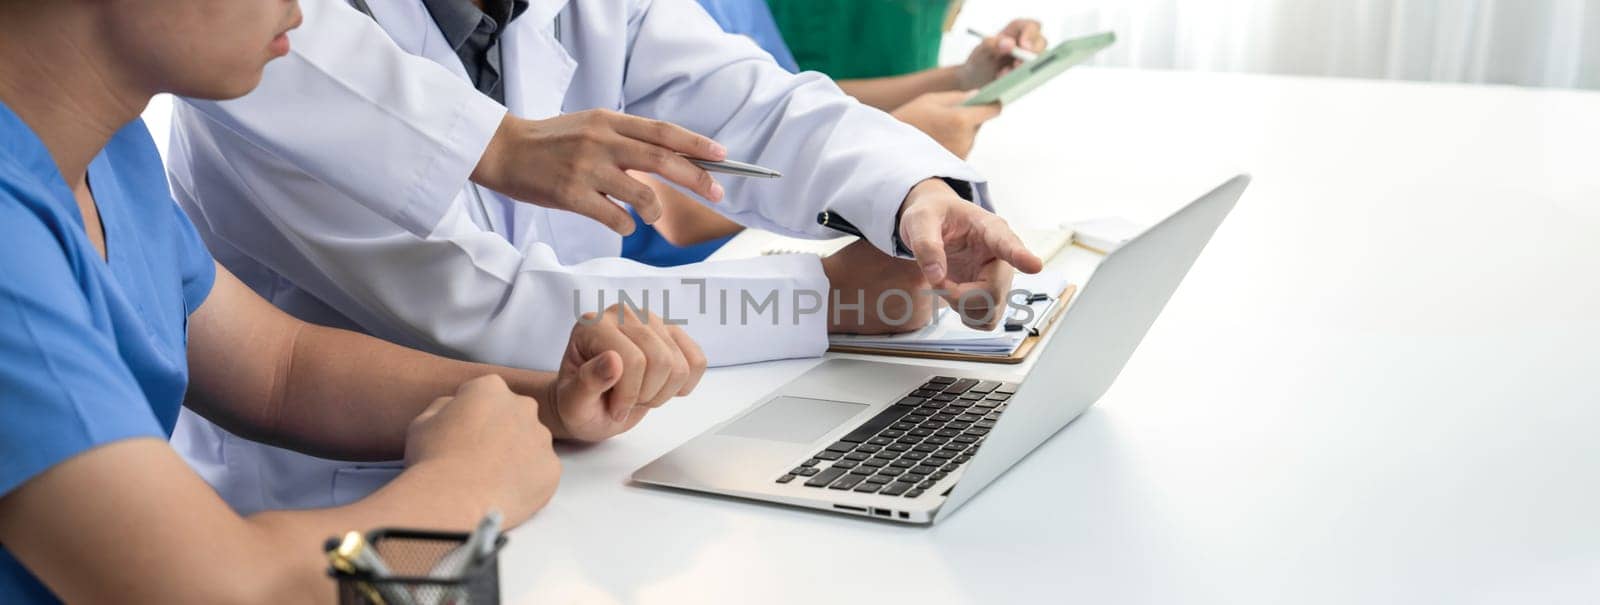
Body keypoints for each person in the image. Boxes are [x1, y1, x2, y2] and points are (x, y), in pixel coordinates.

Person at [166, 0, 1044, 513]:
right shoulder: (267, 41)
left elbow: (751, 105)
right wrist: (817, 299)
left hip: (584, 456)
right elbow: (488, 314)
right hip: (345, 501)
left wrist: (917, 196)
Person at [0, 1, 700, 602]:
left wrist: (547, 402)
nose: (308, 10)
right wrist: (467, 494)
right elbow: (226, 590)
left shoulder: (106, 154)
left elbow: (280, 370)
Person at [624, 0, 1047, 265]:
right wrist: (898, 149)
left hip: (766, 251)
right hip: (683, 287)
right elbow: (680, 215)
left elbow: (784, 104)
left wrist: (961, 77)